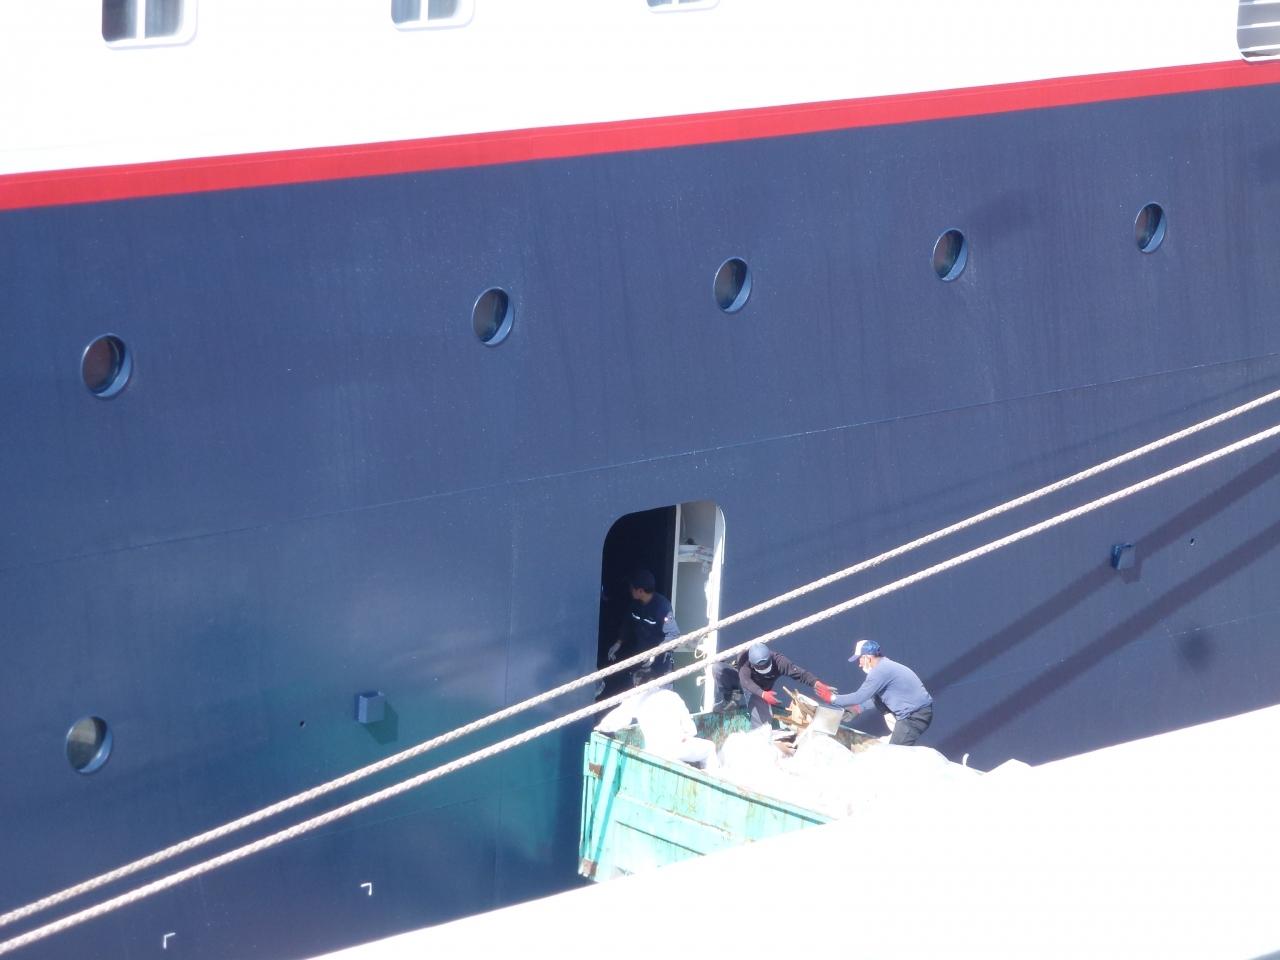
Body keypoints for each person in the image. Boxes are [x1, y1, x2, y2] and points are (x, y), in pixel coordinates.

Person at [822, 639, 933, 746]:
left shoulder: (880, 671)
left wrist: (831, 698)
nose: (859, 664)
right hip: (916, 713)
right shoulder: (886, 665)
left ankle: (897, 741)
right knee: (877, 698)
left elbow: (859, 696)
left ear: (868, 658)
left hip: (913, 717)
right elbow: (875, 698)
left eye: (859, 659)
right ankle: (895, 736)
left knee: (895, 752)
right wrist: (857, 708)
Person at [713, 642, 834, 730]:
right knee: (718, 668)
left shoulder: (779, 662)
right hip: (747, 685)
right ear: (752, 664)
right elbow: (745, 682)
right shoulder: (744, 661)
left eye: (766, 665)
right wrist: (763, 694)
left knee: (762, 727)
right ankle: (731, 700)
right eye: (760, 667)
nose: (763, 668)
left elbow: (800, 674)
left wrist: (816, 683)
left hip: (759, 693)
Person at [595, 687, 719, 771]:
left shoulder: (636, 699)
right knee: (710, 748)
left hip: (652, 752)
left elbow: (618, 719)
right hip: (676, 749)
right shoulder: (672, 696)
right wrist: (685, 736)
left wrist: (601, 727)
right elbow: (691, 730)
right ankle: (711, 776)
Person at [607, 569, 680, 688]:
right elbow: (627, 624)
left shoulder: (662, 607)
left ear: (640, 591)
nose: (630, 590)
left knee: (660, 695)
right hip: (641, 660)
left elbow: (674, 635)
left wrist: (655, 653)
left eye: (632, 588)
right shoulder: (635, 604)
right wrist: (618, 643)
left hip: (660, 665)